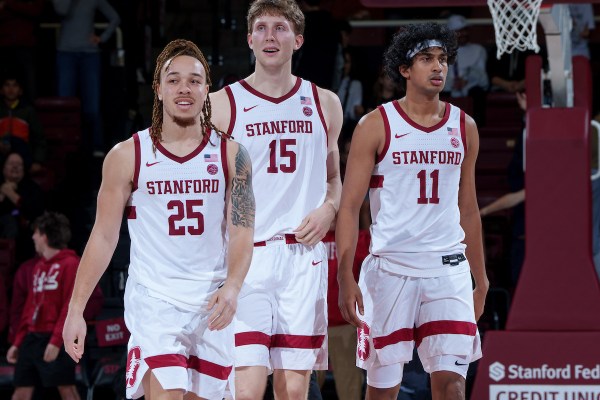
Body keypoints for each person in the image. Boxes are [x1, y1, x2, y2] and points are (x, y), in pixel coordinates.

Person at [62, 39, 255, 400]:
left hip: (211, 301)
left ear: (207, 88)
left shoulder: (233, 154)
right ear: (158, 88)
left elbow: (243, 228)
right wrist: (75, 309)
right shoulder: (126, 155)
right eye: (174, 79)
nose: (185, 88)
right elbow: (103, 238)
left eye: (195, 80)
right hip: (155, 299)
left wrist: (233, 286)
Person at [336, 23, 488, 400]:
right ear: (404, 69)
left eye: (442, 59)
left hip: (448, 270)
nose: (438, 67)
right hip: (390, 270)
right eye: (426, 59)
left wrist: (480, 278)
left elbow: (468, 208)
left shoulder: (463, 126)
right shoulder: (375, 125)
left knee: (452, 386)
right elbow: (350, 206)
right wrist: (344, 274)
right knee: (382, 390)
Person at [210, 1, 343, 398]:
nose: (271, 36)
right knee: (246, 387)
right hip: (245, 257)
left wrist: (329, 208)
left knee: (295, 389)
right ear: (249, 39)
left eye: (281, 28)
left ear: (298, 40)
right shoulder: (221, 104)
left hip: (302, 259)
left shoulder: (325, 103)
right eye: (262, 28)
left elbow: (334, 178)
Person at [6, 212, 81, 400]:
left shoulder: (72, 263)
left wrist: (56, 341)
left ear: (45, 236)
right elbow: (29, 309)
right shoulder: (38, 266)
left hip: (57, 336)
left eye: (36, 233)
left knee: (66, 389)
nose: (33, 237)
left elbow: (70, 306)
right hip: (31, 338)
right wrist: (18, 342)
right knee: (21, 390)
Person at [52, 0, 121, 156]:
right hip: (66, 53)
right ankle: (65, 145)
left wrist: (102, 37)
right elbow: (61, 11)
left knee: (92, 106)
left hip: (90, 55)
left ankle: (96, 145)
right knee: (65, 103)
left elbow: (115, 17)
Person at [0, 152, 44, 263]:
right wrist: (2, 193)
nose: (15, 166)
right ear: (3, 167)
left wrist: (11, 194)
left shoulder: (33, 188)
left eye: (19, 164)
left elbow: (35, 211)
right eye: (11, 163)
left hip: (24, 239)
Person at [0, 73, 47, 172]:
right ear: (1, 90)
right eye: (7, 85)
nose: (11, 89)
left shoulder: (28, 111)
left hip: (22, 155)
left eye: (15, 85)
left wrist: (38, 161)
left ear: (20, 91)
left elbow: (40, 139)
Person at [0, 0, 45, 102]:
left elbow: (36, 11)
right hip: (3, 46)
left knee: (30, 89)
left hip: (26, 46)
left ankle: (30, 116)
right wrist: (23, 8)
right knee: (4, 88)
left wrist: (8, 3)